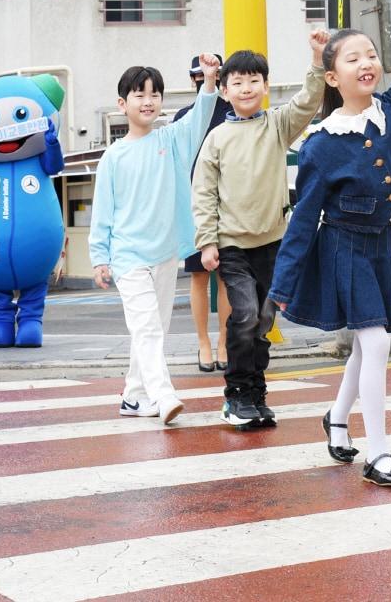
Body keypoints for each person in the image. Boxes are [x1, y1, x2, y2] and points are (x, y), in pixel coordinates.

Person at [269, 0, 391, 487]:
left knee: (364, 344)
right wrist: (281, 287)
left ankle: (335, 418)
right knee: (376, 344)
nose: (367, 62)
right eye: (353, 58)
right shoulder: (322, 142)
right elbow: (303, 218)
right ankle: (378, 453)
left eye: (371, 54)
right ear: (333, 76)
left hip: (380, 245)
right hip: (344, 248)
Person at [192, 32, 328, 429]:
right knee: (246, 314)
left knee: (265, 320)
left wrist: (318, 59)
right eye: (238, 82)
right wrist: (207, 242)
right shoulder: (217, 137)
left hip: (274, 244)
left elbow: (309, 100)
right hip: (232, 246)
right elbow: (203, 192)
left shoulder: (278, 125)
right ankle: (236, 395)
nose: (247, 88)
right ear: (226, 89)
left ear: (266, 87)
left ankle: (256, 393)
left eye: (254, 81)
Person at [90, 55, 220, 425]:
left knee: (154, 329)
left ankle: (133, 396)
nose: (148, 101)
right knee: (147, 328)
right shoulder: (113, 156)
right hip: (128, 257)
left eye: (155, 94)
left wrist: (208, 82)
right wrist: (100, 257)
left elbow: (198, 120)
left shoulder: (172, 140)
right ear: (122, 104)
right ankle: (163, 395)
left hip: (165, 254)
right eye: (139, 94)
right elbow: (103, 211)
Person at [172, 53, 233, 373]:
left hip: (229, 206)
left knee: (227, 276)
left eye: (208, 74)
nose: (203, 79)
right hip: (194, 207)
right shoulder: (184, 116)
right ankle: (203, 343)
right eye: (197, 75)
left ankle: (224, 341)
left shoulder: (233, 112)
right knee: (198, 276)